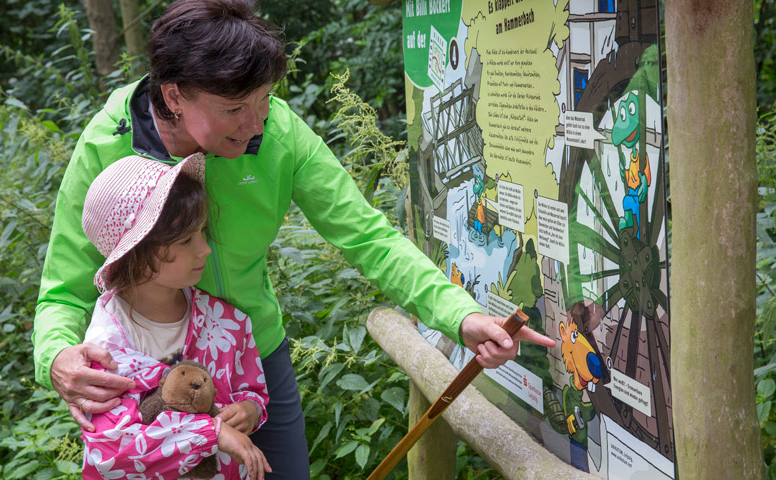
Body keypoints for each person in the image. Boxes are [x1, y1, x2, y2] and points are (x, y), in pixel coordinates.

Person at [32, 1, 556, 478]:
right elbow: (66, 283)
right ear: (173, 95)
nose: (256, 123)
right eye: (235, 108)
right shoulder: (108, 144)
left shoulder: (276, 134)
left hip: (250, 359)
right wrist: (56, 355)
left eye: (264, 100)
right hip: (139, 375)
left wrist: (458, 314)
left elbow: (367, 234)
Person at [79, 153, 271, 480]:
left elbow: (251, 389)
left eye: (202, 232)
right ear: (135, 253)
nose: (205, 249)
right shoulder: (107, 345)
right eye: (185, 240)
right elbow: (111, 449)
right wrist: (211, 433)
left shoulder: (227, 324)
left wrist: (250, 410)